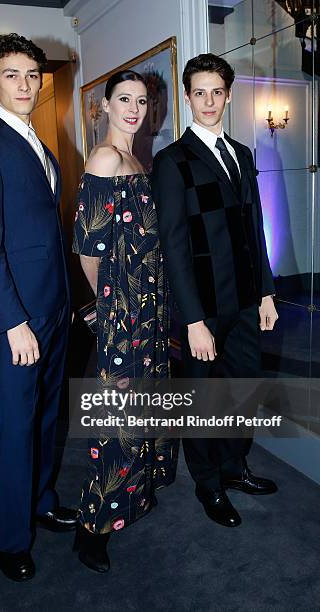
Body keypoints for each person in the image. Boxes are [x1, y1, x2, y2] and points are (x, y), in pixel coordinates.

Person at [0, 33, 78, 582]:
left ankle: (43, 500)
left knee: (49, 415)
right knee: (15, 425)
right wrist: (14, 323)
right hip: (19, 321)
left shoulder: (41, 144)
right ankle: (9, 536)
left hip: (53, 308)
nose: (24, 85)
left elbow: (46, 235)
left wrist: (67, 302)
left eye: (32, 75)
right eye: (12, 75)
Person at [152, 53, 278, 529]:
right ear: (187, 98)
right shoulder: (171, 162)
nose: (208, 101)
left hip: (246, 302)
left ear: (228, 95)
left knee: (244, 392)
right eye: (198, 92)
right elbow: (174, 248)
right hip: (202, 310)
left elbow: (254, 227)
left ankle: (234, 467)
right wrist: (192, 320)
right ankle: (209, 485)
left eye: (216, 91)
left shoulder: (243, 154)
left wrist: (265, 292)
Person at [72, 70, 177, 572]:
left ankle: (134, 497)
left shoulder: (138, 158)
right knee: (116, 422)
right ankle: (90, 529)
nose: (134, 109)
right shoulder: (105, 157)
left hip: (149, 310)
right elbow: (88, 249)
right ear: (105, 106)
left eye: (142, 101)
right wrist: (109, 307)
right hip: (123, 313)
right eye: (124, 100)